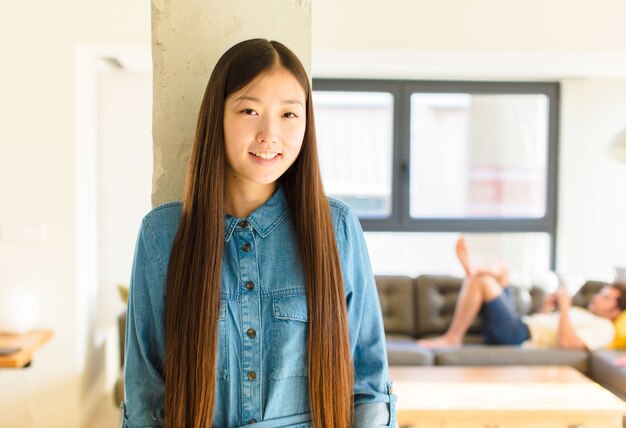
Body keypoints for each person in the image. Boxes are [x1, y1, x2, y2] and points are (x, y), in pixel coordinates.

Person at [121, 39, 395, 428]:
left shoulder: (337, 229)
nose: (269, 134)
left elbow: (368, 386)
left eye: (288, 114)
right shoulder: (162, 234)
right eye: (249, 110)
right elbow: (146, 392)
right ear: (218, 115)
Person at [417, 235, 626, 351]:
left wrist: (564, 309)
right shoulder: (587, 315)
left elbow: (567, 344)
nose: (597, 297)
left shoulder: (605, 328)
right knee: (503, 270)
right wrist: (547, 310)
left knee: (484, 282)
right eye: (601, 293)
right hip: (521, 325)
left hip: (517, 335)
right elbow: (549, 329)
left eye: (606, 297)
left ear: (616, 311)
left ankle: (453, 338)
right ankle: (474, 270)